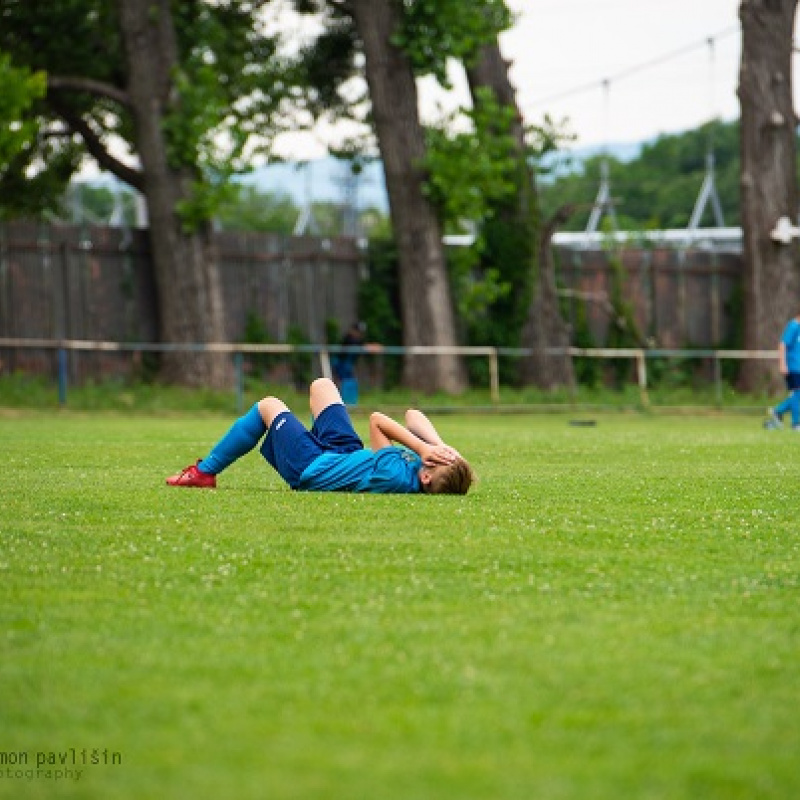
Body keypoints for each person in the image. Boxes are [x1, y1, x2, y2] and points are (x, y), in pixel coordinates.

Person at [166, 378, 474, 494]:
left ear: (425, 478)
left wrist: (422, 447)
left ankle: (204, 472)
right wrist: (440, 446)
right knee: (322, 386)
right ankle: (303, 436)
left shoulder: (394, 476)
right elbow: (412, 415)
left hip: (312, 466)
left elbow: (378, 421)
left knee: (268, 406)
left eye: (435, 460)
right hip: (344, 455)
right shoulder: (425, 468)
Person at [766, 312, 800, 430]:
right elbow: (782, 345)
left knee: (798, 395)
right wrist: (782, 363)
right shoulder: (793, 326)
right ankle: (796, 423)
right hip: (793, 366)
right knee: (797, 393)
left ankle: (778, 410)